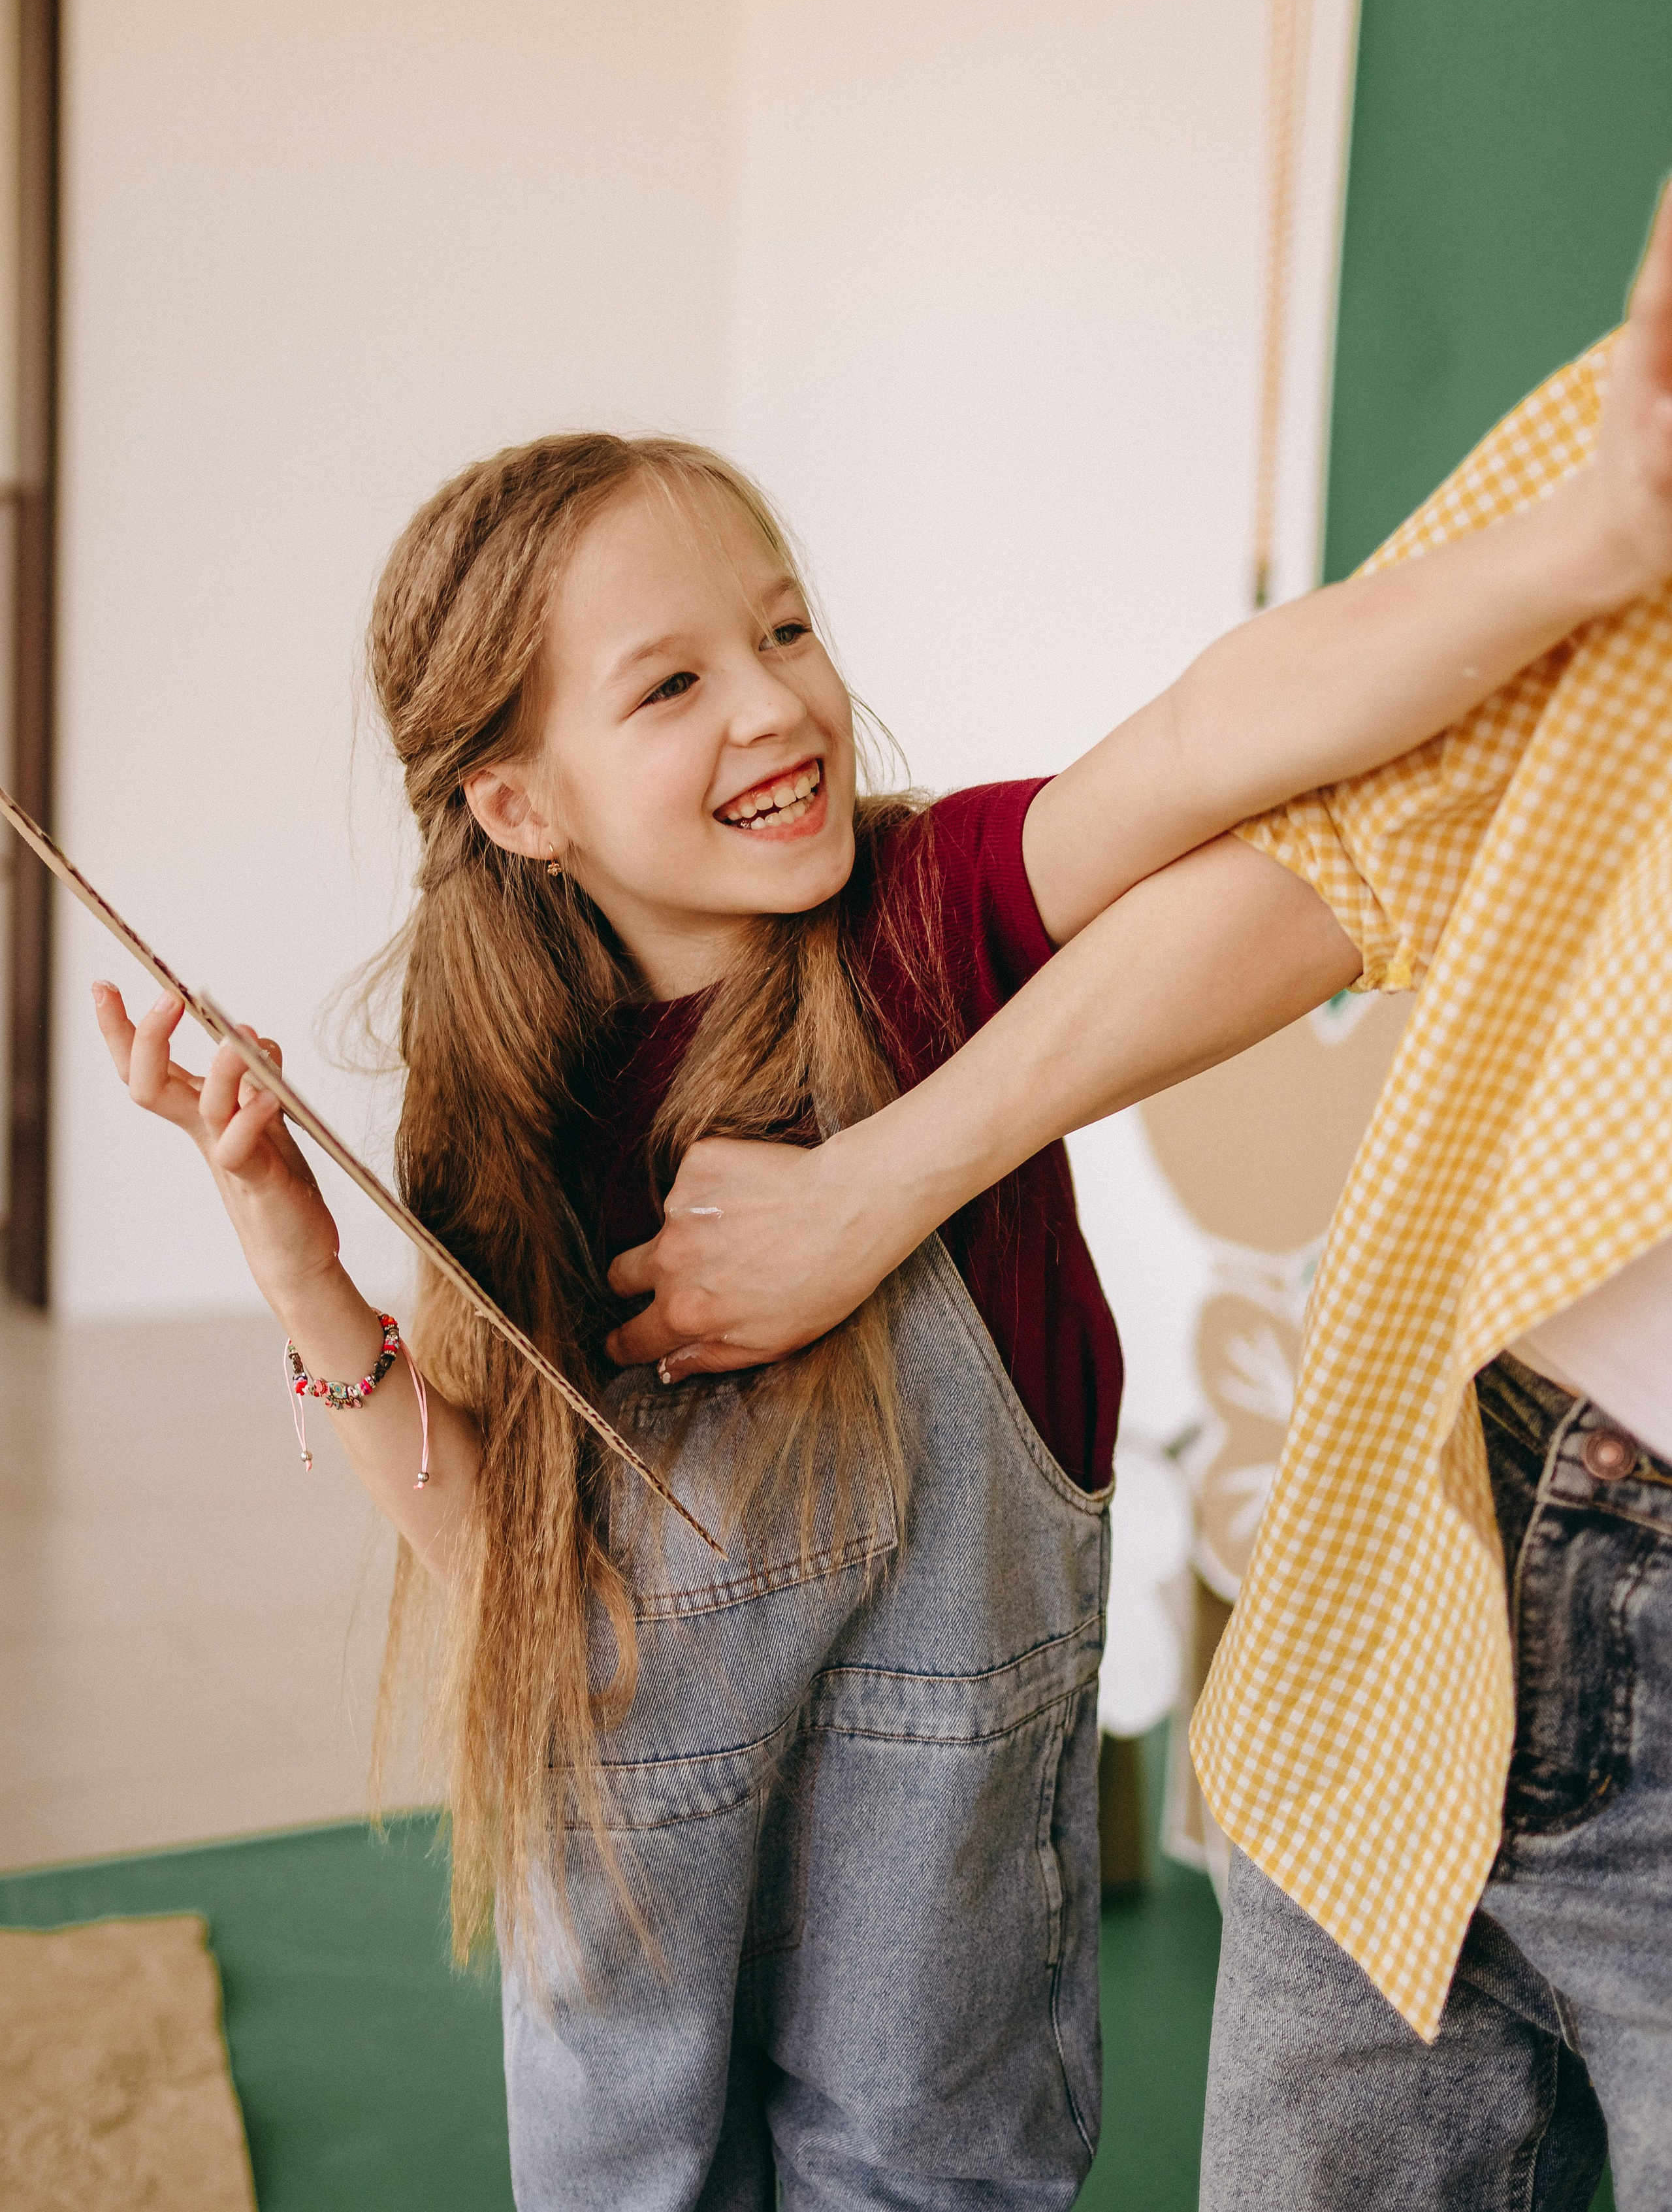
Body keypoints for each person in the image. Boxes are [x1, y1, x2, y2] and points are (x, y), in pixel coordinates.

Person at [95, 186, 1672, 2210]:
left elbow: (1214, 728)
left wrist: (1593, 546)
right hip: (624, 2052)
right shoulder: (500, 1114)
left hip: (930, 2097)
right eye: (670, 687)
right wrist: (287, 1248)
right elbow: (505, 1565)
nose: (780, 705)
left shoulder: (929, 925)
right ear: (518, 801)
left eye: (787, 625)